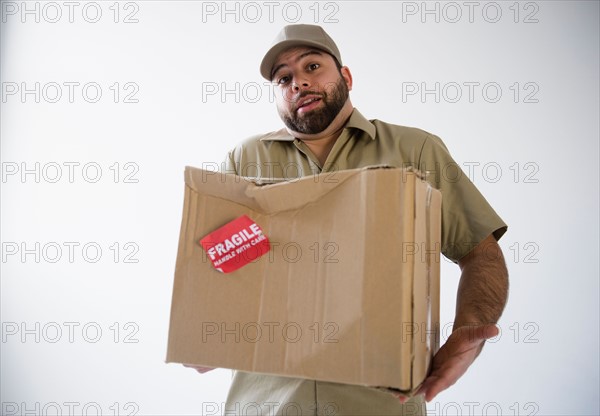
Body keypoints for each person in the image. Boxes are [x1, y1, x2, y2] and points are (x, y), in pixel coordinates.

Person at [191, 24, 509, 415]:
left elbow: (480, 253)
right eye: (284, 78)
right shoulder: (246, 161)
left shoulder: (415, 149)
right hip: (266, 404)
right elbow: (219, 266)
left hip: (379, 405)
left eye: (312, 67)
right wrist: (204, 328)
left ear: (346, 77)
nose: (299, 83)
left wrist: (467, 333)